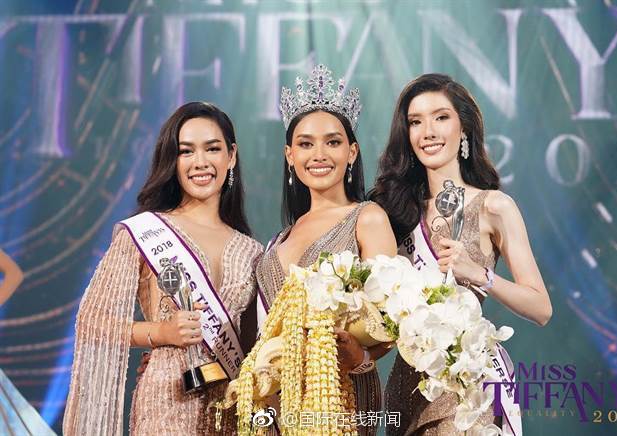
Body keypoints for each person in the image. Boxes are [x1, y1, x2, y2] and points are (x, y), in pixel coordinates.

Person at [63, 102, 262, 435]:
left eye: (212, 149)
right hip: (167, 399)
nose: (200, 162)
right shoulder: (145, 232)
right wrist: (161, 333)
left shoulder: (252, 250)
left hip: (232, 402)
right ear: (173, 160)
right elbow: (92, 321)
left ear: (231, 155)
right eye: (186, 151)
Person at [369, 73, 552, 435]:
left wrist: (479, 274)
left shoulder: (494, 206)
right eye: (415, 122)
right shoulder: (393, 213)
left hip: (467, 388)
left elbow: (541, 308)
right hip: (408, 387)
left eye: (441, 117)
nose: (428, 132)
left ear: (464, 127)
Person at [255, 64, 397, 435]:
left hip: (339, 394)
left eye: (332, 142)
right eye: (305, 144)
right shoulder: (280, 239)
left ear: (352, 152)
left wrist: (360, 356)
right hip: (277, 399)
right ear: (289, 155)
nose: (319, 154)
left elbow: (391, 319)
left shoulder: (367, 218)